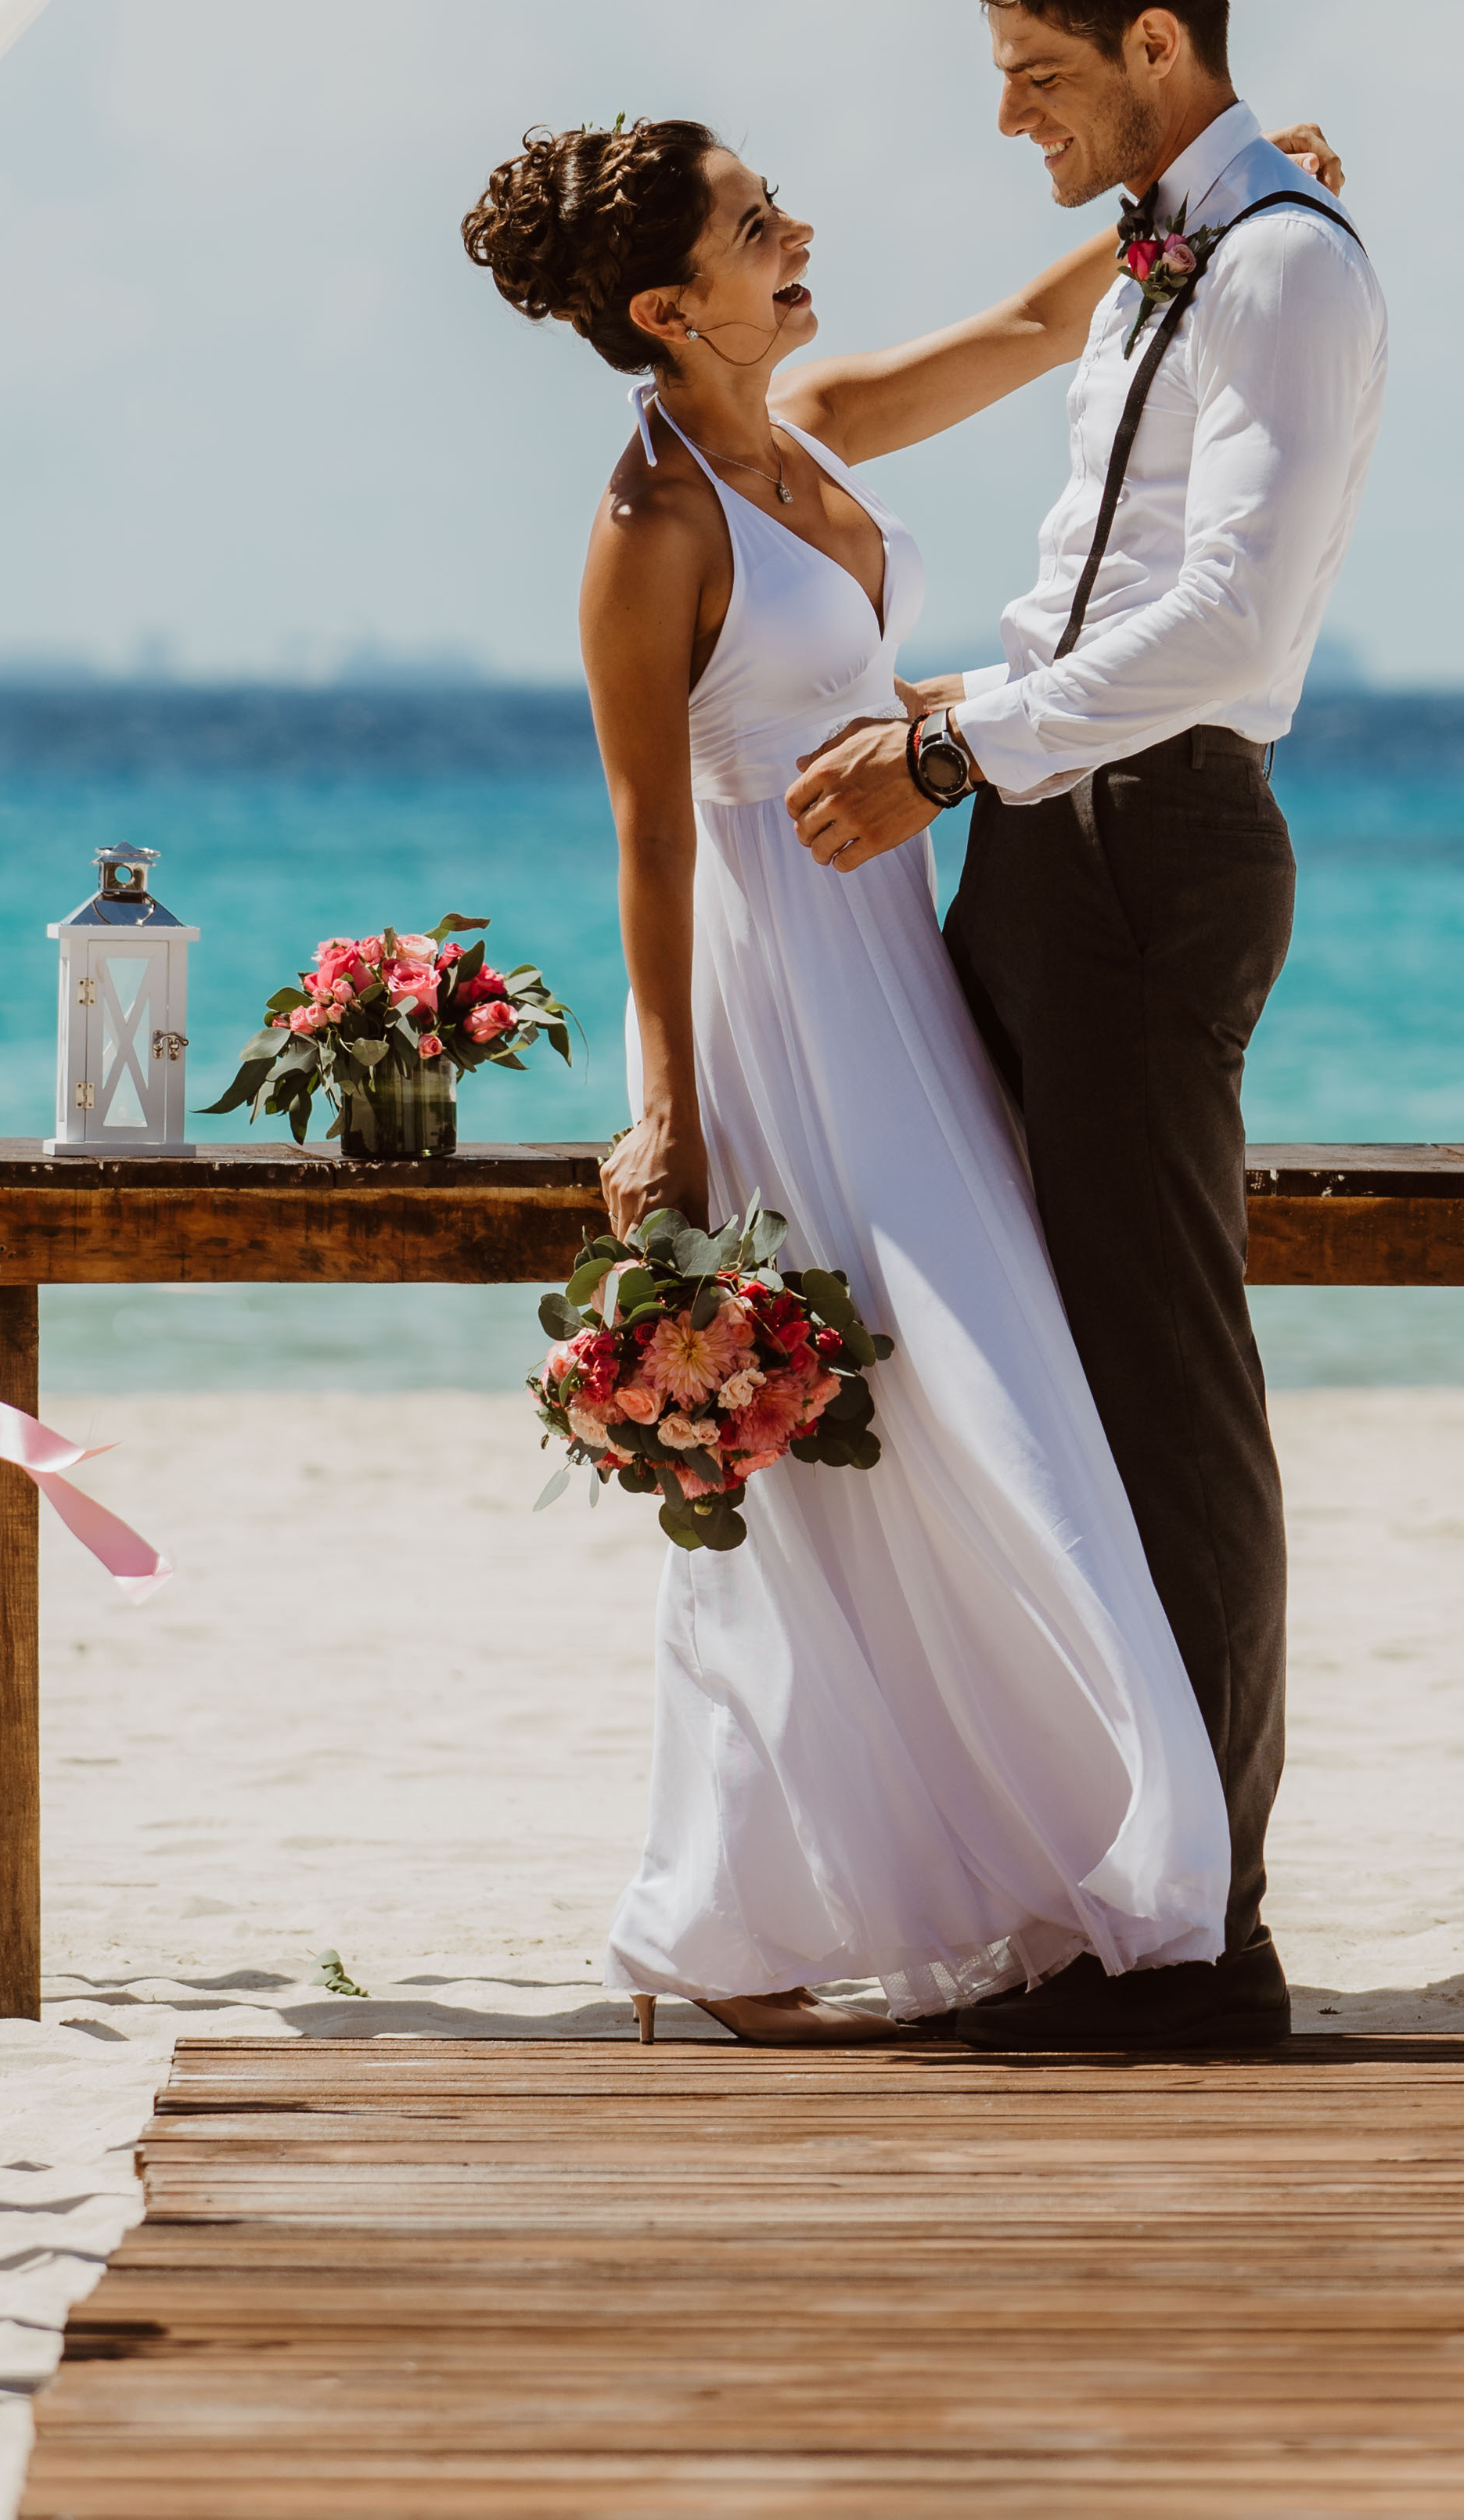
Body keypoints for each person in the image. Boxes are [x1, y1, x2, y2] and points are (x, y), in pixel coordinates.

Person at [466, 109, 1256, 2040]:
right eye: (755, 222)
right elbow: (650, 837)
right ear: (668, 304)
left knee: (986, 1403)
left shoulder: (803, 419)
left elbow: (1026, 324)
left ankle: (1033, 1866)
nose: (798, 225)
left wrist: (1207, 198)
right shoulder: (649, 525)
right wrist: (667, 1105)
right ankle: (750, 1916)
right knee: (903, 1426)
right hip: (785, 998)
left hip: (907, 954)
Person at [781, 0, 1389, 2052]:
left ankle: (1207, 1949)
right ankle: (1093, 1890)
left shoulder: (1288, 276)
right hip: (1049, 825)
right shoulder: (1162, 259)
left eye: (1040, 79)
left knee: (1158, 1383)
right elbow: (1080, 570)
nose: (1013, 123)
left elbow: (1224, 624)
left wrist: (948, 747)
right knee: (1030, 1374)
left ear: (1158, 49)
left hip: (1150, 844)